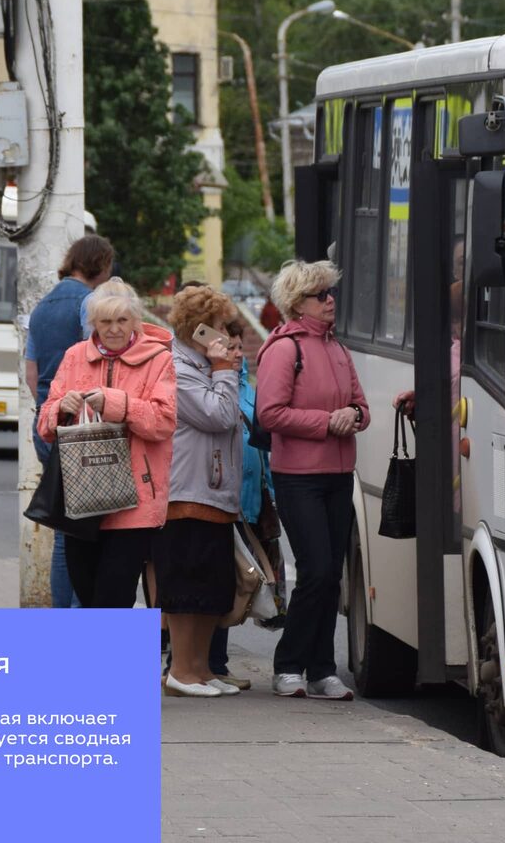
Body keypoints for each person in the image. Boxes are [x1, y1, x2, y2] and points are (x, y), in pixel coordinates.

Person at [258, 259, 369, 700]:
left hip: (339, 476)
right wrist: (327, 422)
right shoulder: (286, 348)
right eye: (320, 295)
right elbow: (270, 413)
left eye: (331, 293)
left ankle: (323, 669)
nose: (330, 301)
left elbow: (362, 407)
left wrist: (354, 415)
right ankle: (288, 664)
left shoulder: (338, 350)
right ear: (296, 303)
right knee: (316, 570)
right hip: (298, 477)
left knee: (331, 576)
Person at [37, 279, 176, 609]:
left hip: (135, 502)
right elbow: (44, 423)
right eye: (105, 322)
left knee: (114, 599)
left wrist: (116, 403)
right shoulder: (74, 357)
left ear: (135, 321)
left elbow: (164, 421)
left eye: (122, 321)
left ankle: (111, 660)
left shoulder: (159, 359)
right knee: (87, 595)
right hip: (81, 498)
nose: (113, 329)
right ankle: (100, 660)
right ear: (93, 324)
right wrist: (60, 409)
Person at [157, 286, 246, 698]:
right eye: (224, 328)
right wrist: (226, 372)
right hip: (187, 490)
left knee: (210, 584)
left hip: (213, 491)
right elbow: (220, 415)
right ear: (202, 332)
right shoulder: (178, 368)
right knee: (185, 584)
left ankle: (200, 668)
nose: (231, 337)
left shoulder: (202, 365)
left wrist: (223, 369)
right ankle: (181, 671)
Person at [23, 235, 116, 609]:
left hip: (48, 420)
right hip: (81, 426)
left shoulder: (41, 306)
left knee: (66, 525)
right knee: (81, 533)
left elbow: (32, 373)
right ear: (100, 264)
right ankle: (76, 614)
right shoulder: (88, 304)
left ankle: (66, 614)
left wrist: (49, 409)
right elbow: (91, 361)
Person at [210, 322, 272, 685]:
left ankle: (216, 663)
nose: (236, 354)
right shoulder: (212, 385)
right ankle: (203, 664)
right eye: (229, 347)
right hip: (218, 501)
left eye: (238, 348)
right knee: (216, 585)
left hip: (249, 506)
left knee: (233, 585)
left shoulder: (248, 388)